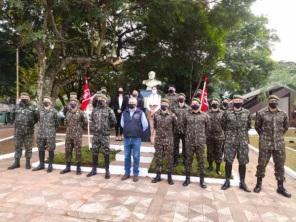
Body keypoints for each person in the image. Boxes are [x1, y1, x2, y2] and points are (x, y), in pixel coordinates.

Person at [253, 95, 291, 198]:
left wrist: (278, 136)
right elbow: (257, 127)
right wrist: (264, 136)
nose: (273, 102)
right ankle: (258, 184)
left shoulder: (283, 114)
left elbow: (285, 127)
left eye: (275, 101)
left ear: (277, 102)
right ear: (268, 102)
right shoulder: (261, 113)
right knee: (261, 164)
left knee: (280, 165)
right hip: (265, 143)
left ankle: (280, 187)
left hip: (279, 144)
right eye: (271, 100)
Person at [221, 95, 251, 192]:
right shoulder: (227, 113)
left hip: (242, 141)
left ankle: (242, 182)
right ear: (233, 101)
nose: (237, 101)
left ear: (242, 101)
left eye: (239, 100)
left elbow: (248, 125)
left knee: (243, 162)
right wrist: (230, 134)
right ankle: (227, 181)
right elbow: (223, 125)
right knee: (228, 161)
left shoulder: (247, 113)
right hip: (230, 141)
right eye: (236, 100)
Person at [87, 94, 117, 179]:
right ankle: (94, 169)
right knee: (94, 151)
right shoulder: (94, 110)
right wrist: (94, 128)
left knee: (106, 152)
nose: (100, 100)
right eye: (98, 99)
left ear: (105, 100)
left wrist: (107, 128)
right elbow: (92, 120)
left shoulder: (109, 110)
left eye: (102, 99)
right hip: (96, 135)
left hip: (105, 135)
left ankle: (107, 170)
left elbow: (114, 121)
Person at [120, 97, 148, 182]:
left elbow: (145, 125)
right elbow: (122, 124)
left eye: (133, 102)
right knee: (127, 156)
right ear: (128, 103)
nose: (132, 103)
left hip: (136, 138)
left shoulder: (140, 113)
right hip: (127, 138)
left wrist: (138, 131)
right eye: (130, 102)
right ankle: (127, 173)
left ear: (136, 103)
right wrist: (128, 129)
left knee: (136, 156)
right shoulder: (124, 113)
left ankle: (135, 174)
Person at [8, 92, 38, 170]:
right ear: (20, 97)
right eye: (23, 96)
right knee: (17, 147)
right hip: (18, 131)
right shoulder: (16, 107)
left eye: (26, 96)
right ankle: (16, 162)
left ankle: (28, 162)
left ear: (29, 98)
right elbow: (12, 117)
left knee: (28, 147)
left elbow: (37, 118)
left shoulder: (33, 107)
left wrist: (31, 123)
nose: (24, 97)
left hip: (28, 132)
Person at [183, 98, 208, 188]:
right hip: (189, 142)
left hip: (200, 142)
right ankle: (187, 179)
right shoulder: (186, 115)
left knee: (201, 161)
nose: (194, 104)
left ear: (199, 104)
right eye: (193, 103)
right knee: (188, 160)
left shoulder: (205, 116)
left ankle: (202, 181)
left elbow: (207, 128)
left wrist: (203, 138)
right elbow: (184, 126)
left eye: (196, 103)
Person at [151, 98, 176, 185]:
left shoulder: (172, 116)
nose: (164, 104)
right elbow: (154, 127)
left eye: (165, 103)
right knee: (158, 158)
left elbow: (175, 128)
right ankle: (158, 176)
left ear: (168, 105)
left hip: (168, 140)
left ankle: (169, 177)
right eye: (162, 103)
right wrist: (153, 136)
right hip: (158, 140)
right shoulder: (156, 115)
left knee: (169, 159)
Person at [60, 99, 87, 175]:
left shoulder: (81, 113)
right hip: (68, 135)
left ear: (77, 104)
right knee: (68, 151)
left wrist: (80, 129)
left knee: (78, 151)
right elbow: (65, 122)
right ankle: (68, 167)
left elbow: (85, 123)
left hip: (77, 136)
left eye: (74, 102)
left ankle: (78, 168)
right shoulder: (68, 113)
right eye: (71, 102)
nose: (72, 103)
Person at [32, 96, 59, 173]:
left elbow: (57, 123)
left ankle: (50, 165)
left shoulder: (54, 111)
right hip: (41, 133)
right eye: (44, 101)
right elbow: (36, 120)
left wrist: (52, 130)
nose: (46, 102)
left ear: (51, 102)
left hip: (50, 134)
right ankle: (41, 164)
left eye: (47, 100)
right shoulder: (39, 111)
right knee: (40, 148)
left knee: (51, 149)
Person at [206, 98, 224, 175]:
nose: (214, 103)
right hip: (209, 136)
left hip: (219, 136)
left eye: (216, 102)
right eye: (213, 102)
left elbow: (226, 124)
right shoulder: (207, 113)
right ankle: (210, 166)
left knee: (218, 152)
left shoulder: (223, 113)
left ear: (219, 104)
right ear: (210, 104)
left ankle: (218, 168)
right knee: (209, 152)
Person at [171, 93, 190, 166]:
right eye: (180, 97)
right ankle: (175, 161)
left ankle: (185, 161)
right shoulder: (173, 107)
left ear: (185, 98)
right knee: (175, 146)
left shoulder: (188, 108)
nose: (181, 98)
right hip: (175, 130)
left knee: (186, 146)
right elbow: (171, 117)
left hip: (185, 130)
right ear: (178, 98)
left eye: (182, 97)